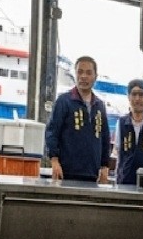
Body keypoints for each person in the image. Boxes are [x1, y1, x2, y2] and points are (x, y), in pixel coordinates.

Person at [44, 55, 111, 183]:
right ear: (75, 74)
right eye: (80, 72)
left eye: (88, 72)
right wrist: (54, 161)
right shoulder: (64, 101)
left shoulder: (99, 106)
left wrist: (104, 166)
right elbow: (52, 132)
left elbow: (105, 138)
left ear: (95, 76)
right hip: (66, 173)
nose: (83, 76)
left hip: (92, 174)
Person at [115, 78, 143, 185]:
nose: (137, 99)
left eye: (141, 94)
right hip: (123, 181)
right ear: (128, 97)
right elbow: (118, 152)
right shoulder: (121, 123)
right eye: (134, 94)